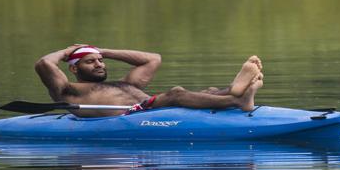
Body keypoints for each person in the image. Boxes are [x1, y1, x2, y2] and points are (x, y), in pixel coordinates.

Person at [34, 44, 264, 117]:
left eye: (100, 60)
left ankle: (234, 90)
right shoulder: (68, 90)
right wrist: (69, 51)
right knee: (176, 93)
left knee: (211, 90)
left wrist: (102, 49)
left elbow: (153, 60)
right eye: (90, 61)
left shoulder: (122, 83)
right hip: (134, 114)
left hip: (149, 107)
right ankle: (238, 100)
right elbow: (44, 64)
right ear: (74, 68)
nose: (99, 64)